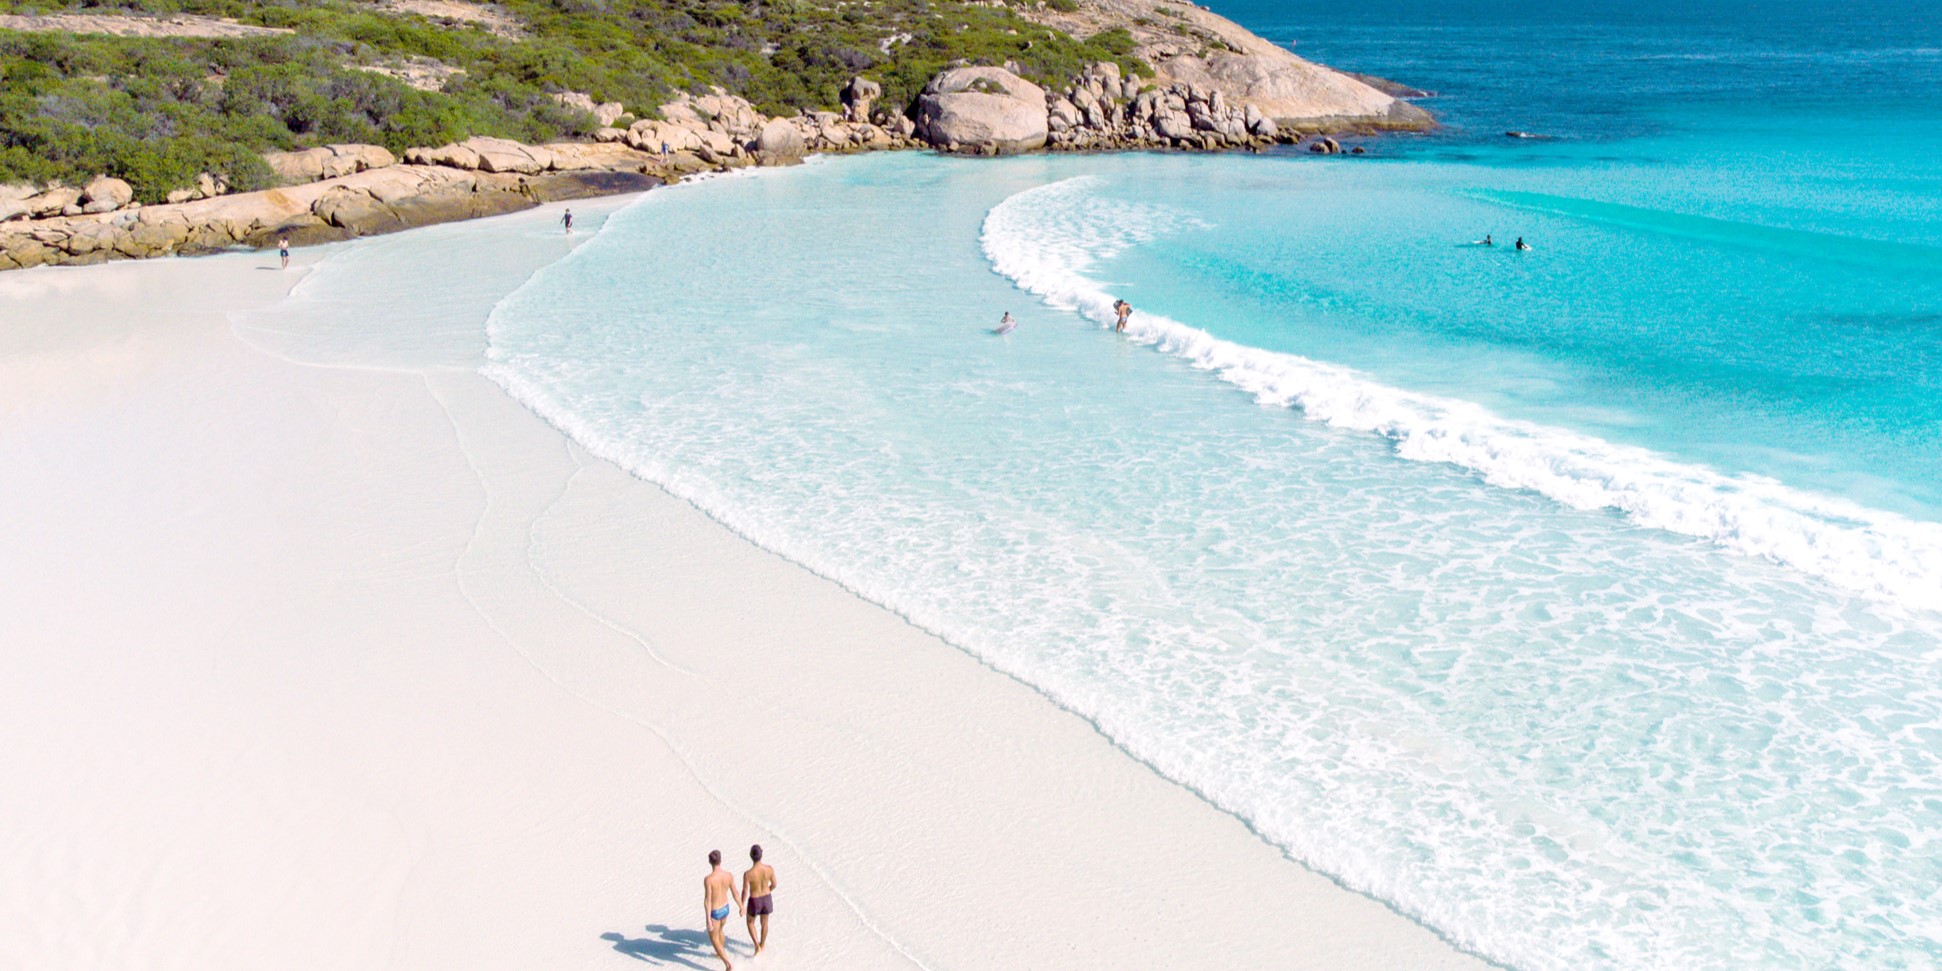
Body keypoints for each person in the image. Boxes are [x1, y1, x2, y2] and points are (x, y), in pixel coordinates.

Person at [703, 850, 738, 970]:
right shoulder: (728, 875)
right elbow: (735, 892)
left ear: (709, 862)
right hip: (725, 909)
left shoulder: (709, 879)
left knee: (714, 938)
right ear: (720, 860)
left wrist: (708, 920)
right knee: (720, 930)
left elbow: (708, 900)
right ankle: (719, 953)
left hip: (715, 912)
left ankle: (728, 964)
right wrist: (741, 906)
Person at [740, 844, 778, 956]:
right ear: (761, 854)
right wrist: (767, 891)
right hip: (766, 898)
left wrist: (742, 905)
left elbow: (745, 891)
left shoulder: (748, 874)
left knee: (750, 922)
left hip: (754, 900)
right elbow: (774, 884)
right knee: (765, 923)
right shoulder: (769, 869)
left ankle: (756, 946)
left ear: (751, 856)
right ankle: (762, 944)